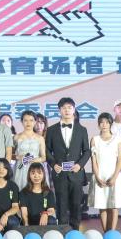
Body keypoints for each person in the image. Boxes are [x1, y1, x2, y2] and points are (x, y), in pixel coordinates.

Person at [45, 97, 90, 229]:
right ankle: (63, 233)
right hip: (60, 174)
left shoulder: (82, 130)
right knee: (61, 205)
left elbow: (87, 151)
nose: (67, 110)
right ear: (59, 110)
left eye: (69, 107)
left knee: (76, 205)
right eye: (64, 108)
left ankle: (75, 233)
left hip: (76, 173)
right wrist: (53, 164)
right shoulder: (51, 130)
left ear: (74, 110)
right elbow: (46, 150)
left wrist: (79, 165)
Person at [90, 112, 121, 232]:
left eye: (107, 122)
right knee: (102, 206)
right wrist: (97, 177)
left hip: (114, 175)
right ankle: (106, 232)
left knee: (113, 206)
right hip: (100, 175)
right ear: (98, 125)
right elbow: (94, 160)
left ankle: (112, 232)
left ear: (111, 124)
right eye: (101, 122)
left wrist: (114, 177)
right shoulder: (94, 140)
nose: (104, 125)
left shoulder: (118, 139)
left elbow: (120, 160)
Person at [13, 110, 45, 191]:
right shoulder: (16, 137)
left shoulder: (40, 138)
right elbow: (10, 155)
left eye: (31, 120)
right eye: (25, 120)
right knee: (20, 190)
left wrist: (36, 160)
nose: (28, 123)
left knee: (36, 191)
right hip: (20, 168)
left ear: (35, 122)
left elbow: (44, 157)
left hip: (35, 168)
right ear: (22, 122)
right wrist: (19, 157)